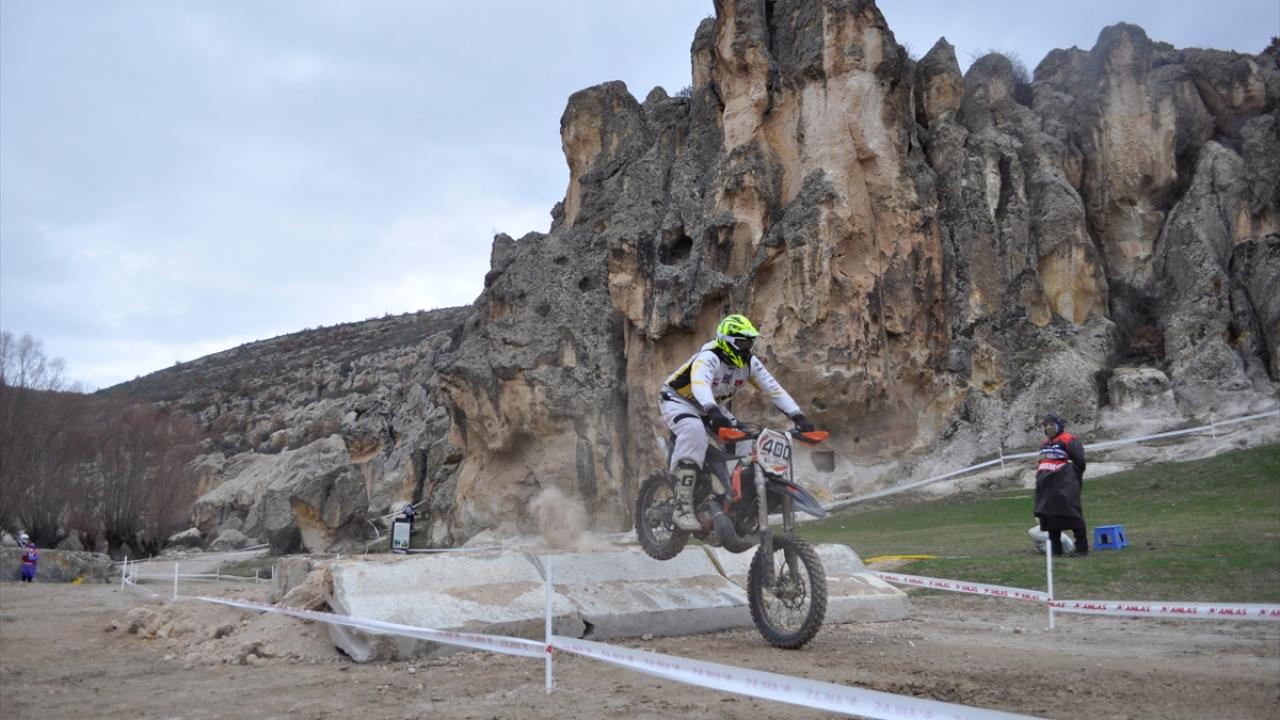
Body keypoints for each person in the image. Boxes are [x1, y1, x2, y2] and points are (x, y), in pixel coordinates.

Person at [658, 314, 813, 531]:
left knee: (745, 440)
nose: (747, 347)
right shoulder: (709, 356)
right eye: (742, 342)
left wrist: (798, 416)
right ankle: (681, 506)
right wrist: (712, 411)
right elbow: (700, 384)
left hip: (712, 406)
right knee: (694, 431)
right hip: (679, 400)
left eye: (749, 343)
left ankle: (733, 501)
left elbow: (773, 388)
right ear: (727, 340)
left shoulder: (749, 363)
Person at [1034, 413, 1089, 557]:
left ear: (1059, 425)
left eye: (1051, 424)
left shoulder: (1070, 440)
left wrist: (1069, 476)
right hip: (1047, 486)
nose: (1049, 427)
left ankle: (1081, 548)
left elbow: (1080, 462)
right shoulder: (1045, 443)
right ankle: (1055, 549)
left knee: (1072, 513)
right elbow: (1042, 460)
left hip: (1065, 484)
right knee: (1049, 516)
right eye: (1046, 425)